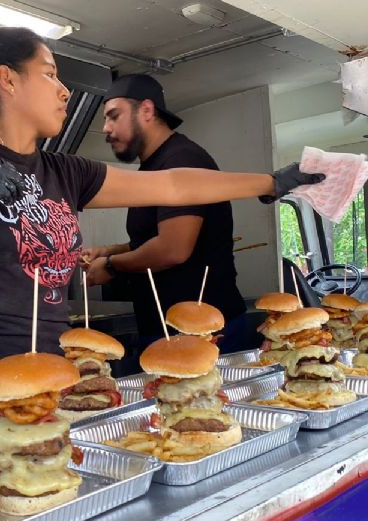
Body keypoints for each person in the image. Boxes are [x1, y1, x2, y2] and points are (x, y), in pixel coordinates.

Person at [0, 22, 324, 408]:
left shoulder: (64, 170)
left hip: (47, 375)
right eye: (49, 74)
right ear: (7, 80)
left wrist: (270, 184)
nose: (64, 90)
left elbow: (171, 184)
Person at [82, 74, 247, 354]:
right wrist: (111, 250)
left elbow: (173, 249)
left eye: (113, 116)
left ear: (146, 110)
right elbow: (156, 237)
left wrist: (111, 266)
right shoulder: (153, 167)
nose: (105, 129)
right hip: (166, 328)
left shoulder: (182, 160)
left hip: (203, 333)